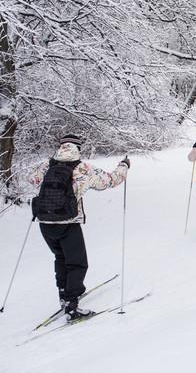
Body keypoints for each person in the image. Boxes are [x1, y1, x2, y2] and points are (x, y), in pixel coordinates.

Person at [28, 134, 130, 320]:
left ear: (61, 147)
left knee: (60, 258)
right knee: (77, 263)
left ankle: (63, 295)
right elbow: (111, 180)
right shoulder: (83, 168)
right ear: (78, 148)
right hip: (68, 224)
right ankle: (72, 307)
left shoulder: (47, 165)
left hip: (45, 222)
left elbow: (31, 179)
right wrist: (124, 166)